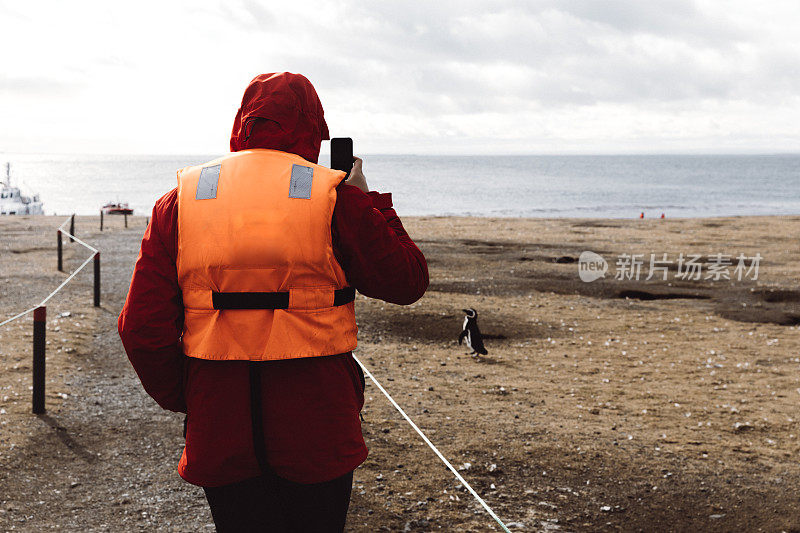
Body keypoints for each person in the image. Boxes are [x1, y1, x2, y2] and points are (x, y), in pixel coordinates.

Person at [118, 72, 428, 532]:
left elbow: (141, 329)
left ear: (242, 123)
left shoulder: (180, 202)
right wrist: (370, 202)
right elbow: (407, 281)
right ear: (314, 130)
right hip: (318, 423)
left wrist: (189, 397)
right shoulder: (335, 198)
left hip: (219, 419)